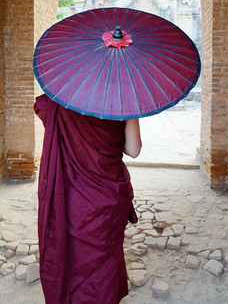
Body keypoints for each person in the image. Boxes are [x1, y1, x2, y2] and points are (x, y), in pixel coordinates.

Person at [34, 93, 142, 304]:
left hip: (72, 198)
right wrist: (132, 113)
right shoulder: (124, 99)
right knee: (105, 258)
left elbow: (44, 113)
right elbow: (134, 150)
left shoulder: (61, 98)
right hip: (109, 196)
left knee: (73, 256)